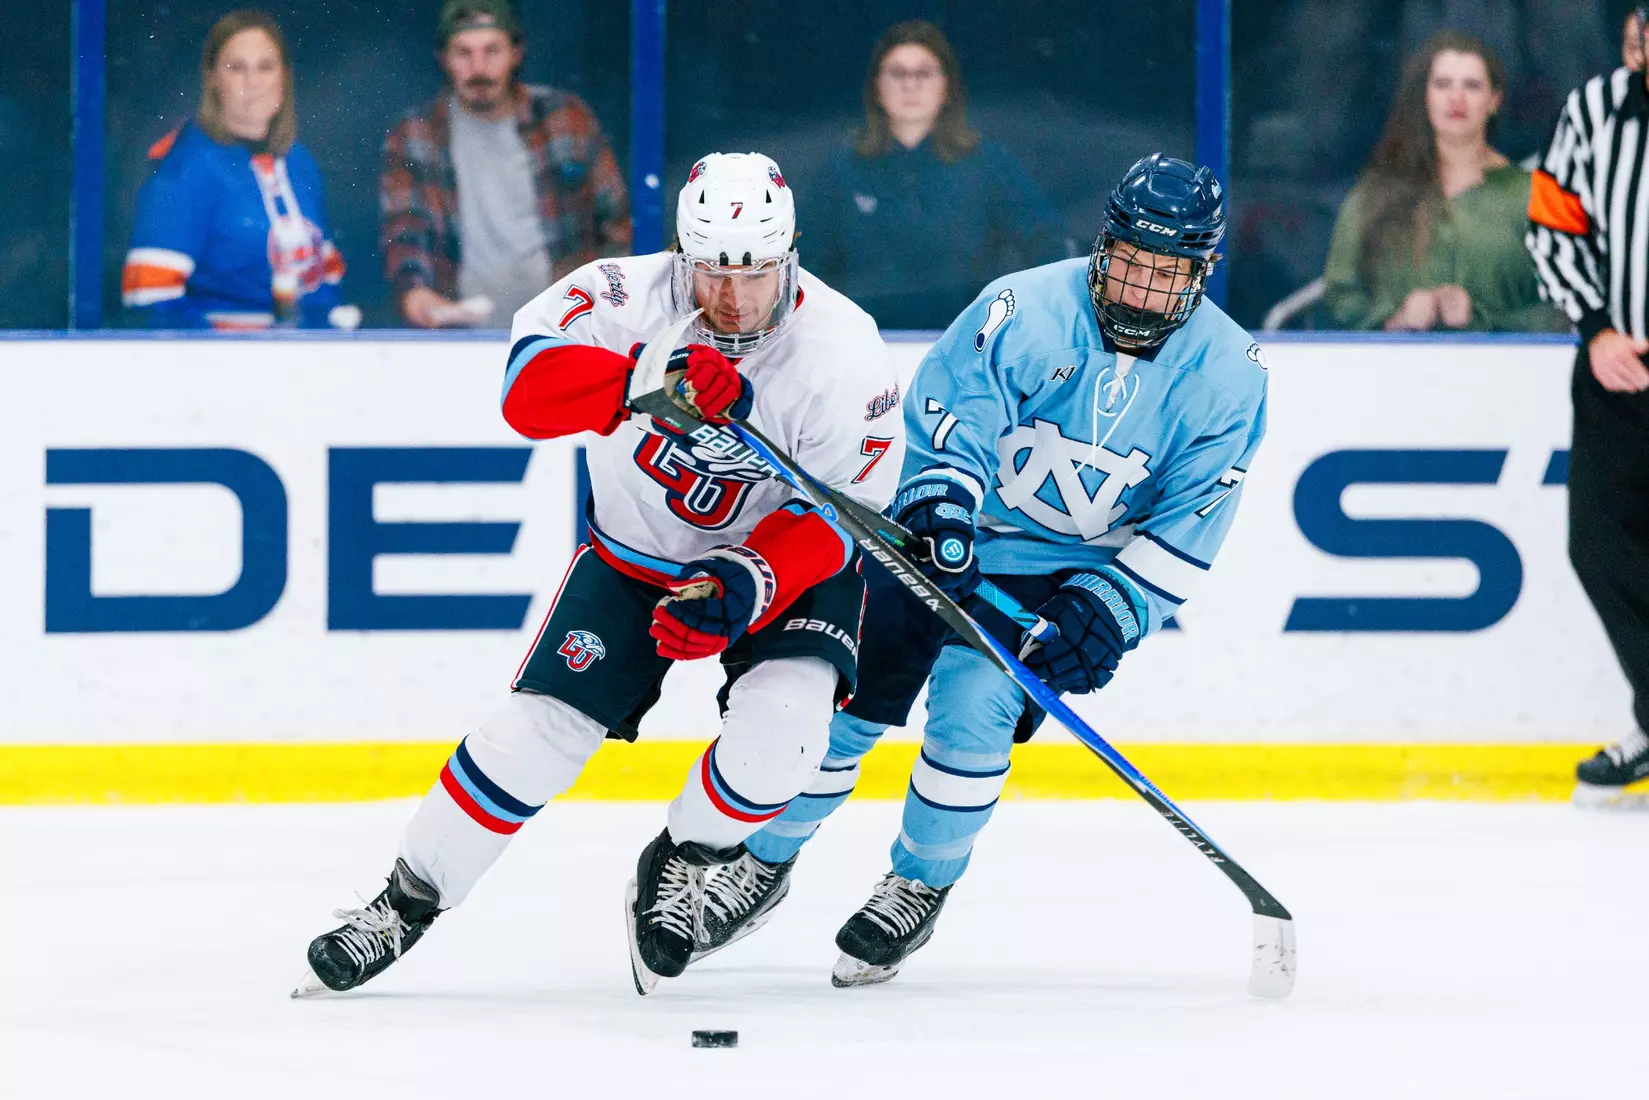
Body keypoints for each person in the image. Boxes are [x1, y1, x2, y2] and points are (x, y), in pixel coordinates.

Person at [294, 152, 903, 997]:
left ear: (788, 256)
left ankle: (684, 860)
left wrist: (746, 580)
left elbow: (841, 516)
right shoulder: (618, 294)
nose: (731, 299)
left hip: (780, 571)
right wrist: (645, 379)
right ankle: (405, 902)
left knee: (785, 738)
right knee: (529, 737)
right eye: (711, 274)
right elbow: (524, 390)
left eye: (754, 274)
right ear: (681, 256)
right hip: (633, 559)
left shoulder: (844, 350)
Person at [692, 154, 1267, 986]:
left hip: (1067, 571)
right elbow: (949, 420)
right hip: (946, 534)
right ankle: (761, 860)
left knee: (973, 713)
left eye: (1166, 271)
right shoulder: (1020, 309)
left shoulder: (1230, 376)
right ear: (1104, 246)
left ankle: (919, 884)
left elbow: (1191, 522)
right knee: (847, 697)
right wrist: (941, 510)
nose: (1141, 288)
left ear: (1201, 272)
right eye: (1130, 262)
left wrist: (1110, 609)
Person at [1526, 6, 1649, 805]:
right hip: (1619, 368)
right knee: (1599, 548)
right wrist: (1597, 328)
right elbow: (1552, 225)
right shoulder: (1595, 108)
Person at [806, 19, 1075, 331]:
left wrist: (1028, 325)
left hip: (962, 345)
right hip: (866, 346)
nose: (910, 84)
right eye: (897, 73)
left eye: (924, 72)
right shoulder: (842, 169)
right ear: (876, 87)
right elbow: (807, 268)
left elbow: (1049, 243)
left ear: (947, 86)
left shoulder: (988, 165)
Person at [381, 0, 630, 329]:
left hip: (566, 332)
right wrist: (417, 296)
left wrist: (609, 311)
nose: (479, 67)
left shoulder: (566, 118)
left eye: (492, 50)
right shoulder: (414, 134)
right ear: (442, 58)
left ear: (516, 52)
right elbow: (405, 233)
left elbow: (617, 226)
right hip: (459, 337)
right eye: (463, 53)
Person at [1321, 31, 1566, 332]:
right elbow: (1339, 298)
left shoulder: (1537, 194)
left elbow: (1565, 307)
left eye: (1472, 85)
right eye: (1442, 84)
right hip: (1394, 363)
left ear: (1494, 100)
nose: (1456, 98)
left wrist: (1484, 321)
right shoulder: (1375, 193)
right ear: (1424, 97)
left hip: (1507, 363)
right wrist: (1395, 319)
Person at [120, 10, 347, 330]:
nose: (253, 83)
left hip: (300, 354)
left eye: (265, 67)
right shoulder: (189, 166)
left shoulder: (299, 162)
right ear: (212, 78)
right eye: (236, 68)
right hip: (224, 356)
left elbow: (325, 285)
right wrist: (228, 352)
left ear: (284, 77)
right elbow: (149, 297)